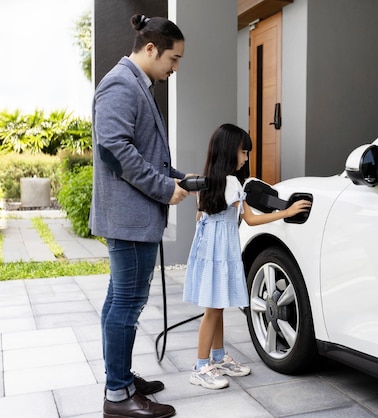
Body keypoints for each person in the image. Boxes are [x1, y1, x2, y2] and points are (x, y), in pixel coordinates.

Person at [90, 14, 190, 418]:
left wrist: (182, 178)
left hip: (133, 218)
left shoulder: (136, 84)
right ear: (151, 49)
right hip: (129, 220)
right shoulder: (120, 83)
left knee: (120, 301)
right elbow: (114, 149)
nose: (175, 68)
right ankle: (118, 395)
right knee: (127, 304)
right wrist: (166, 188)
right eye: (174, 58)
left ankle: (123, 378)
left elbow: (142, 150)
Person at [183, 123, 311, 390]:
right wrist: (286, 213)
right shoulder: (230, 182)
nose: (245, 158)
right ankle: (200, 367)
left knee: (216, 307)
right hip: (220, 251)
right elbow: (251, 219)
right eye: (243, 152)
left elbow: (200, 216)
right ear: (230, 151)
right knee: (213, 310)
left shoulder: (209, 181)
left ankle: (217, 358)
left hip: (211, 251)